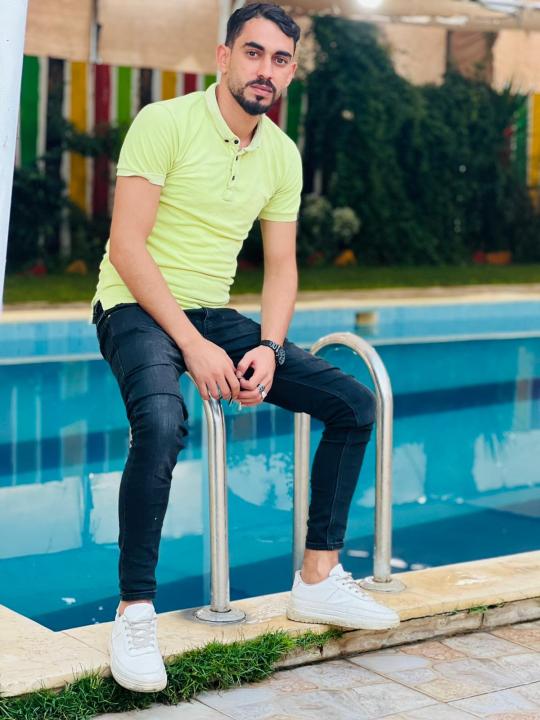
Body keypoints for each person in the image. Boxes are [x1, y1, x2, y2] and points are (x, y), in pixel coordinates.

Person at [91, 1, 399, 694]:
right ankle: (135, 613)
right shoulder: (164, 123)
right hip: (133, 304)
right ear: (225, 57)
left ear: (290, 73)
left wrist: (271, 346)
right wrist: (194, 345)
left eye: (281, 60)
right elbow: (126, 247)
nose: (266, 70)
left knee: (354, 404)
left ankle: (317, 578)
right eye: (254, 53)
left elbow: (281, 267)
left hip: (215, 311)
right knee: (162, 421)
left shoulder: (281, 155)